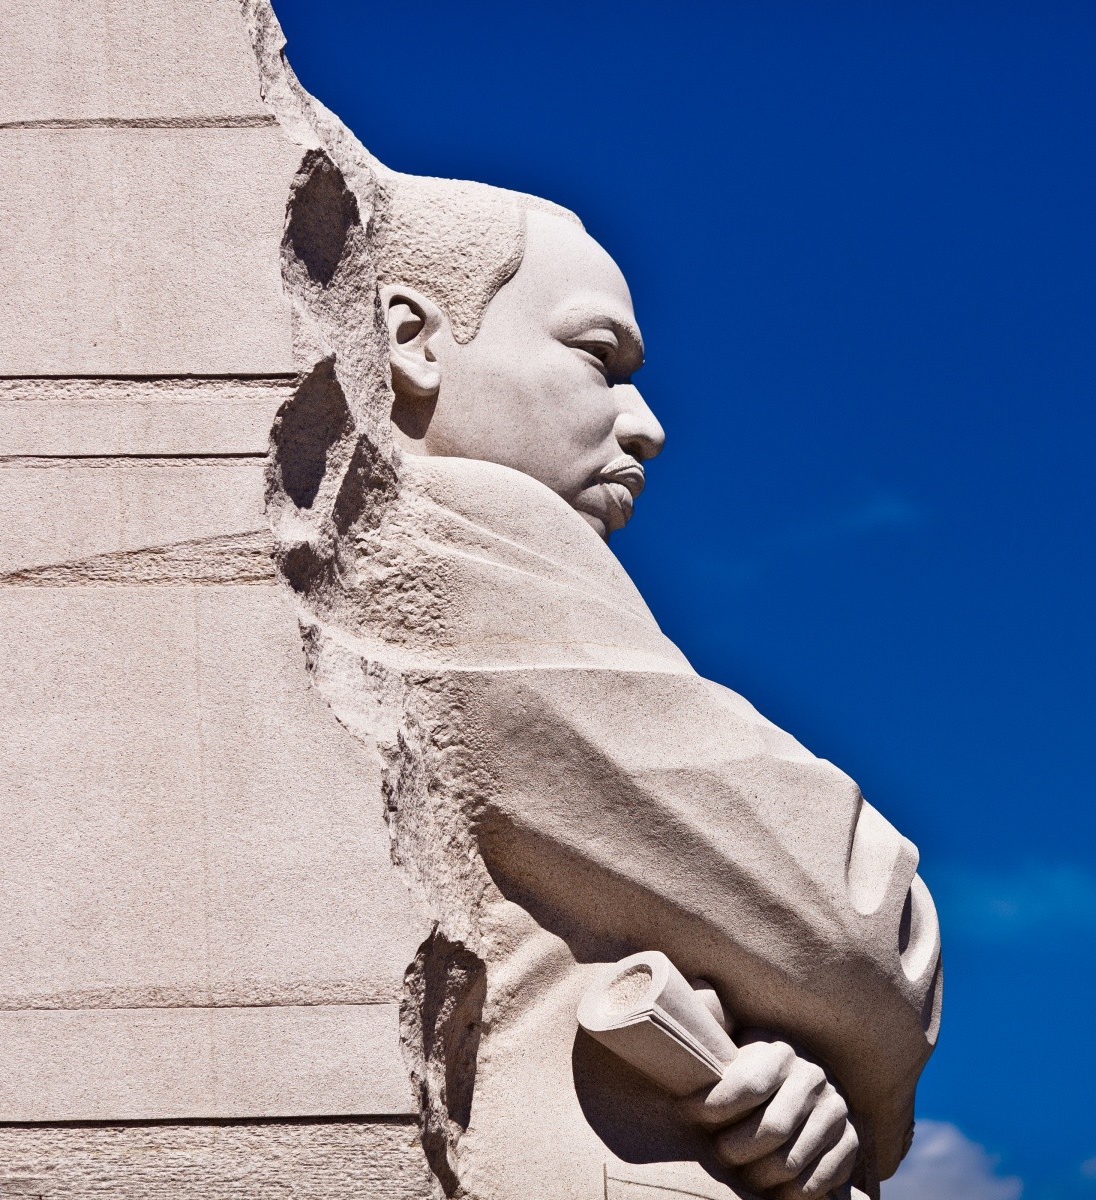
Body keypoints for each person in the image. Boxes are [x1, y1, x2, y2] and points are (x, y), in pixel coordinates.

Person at [272, 166, 940, 1200]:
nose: (645, 424)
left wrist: (787, 1065)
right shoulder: (460, 537)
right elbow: (854, 935)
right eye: (598, 358)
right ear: (413, 339)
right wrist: (832, 1024)